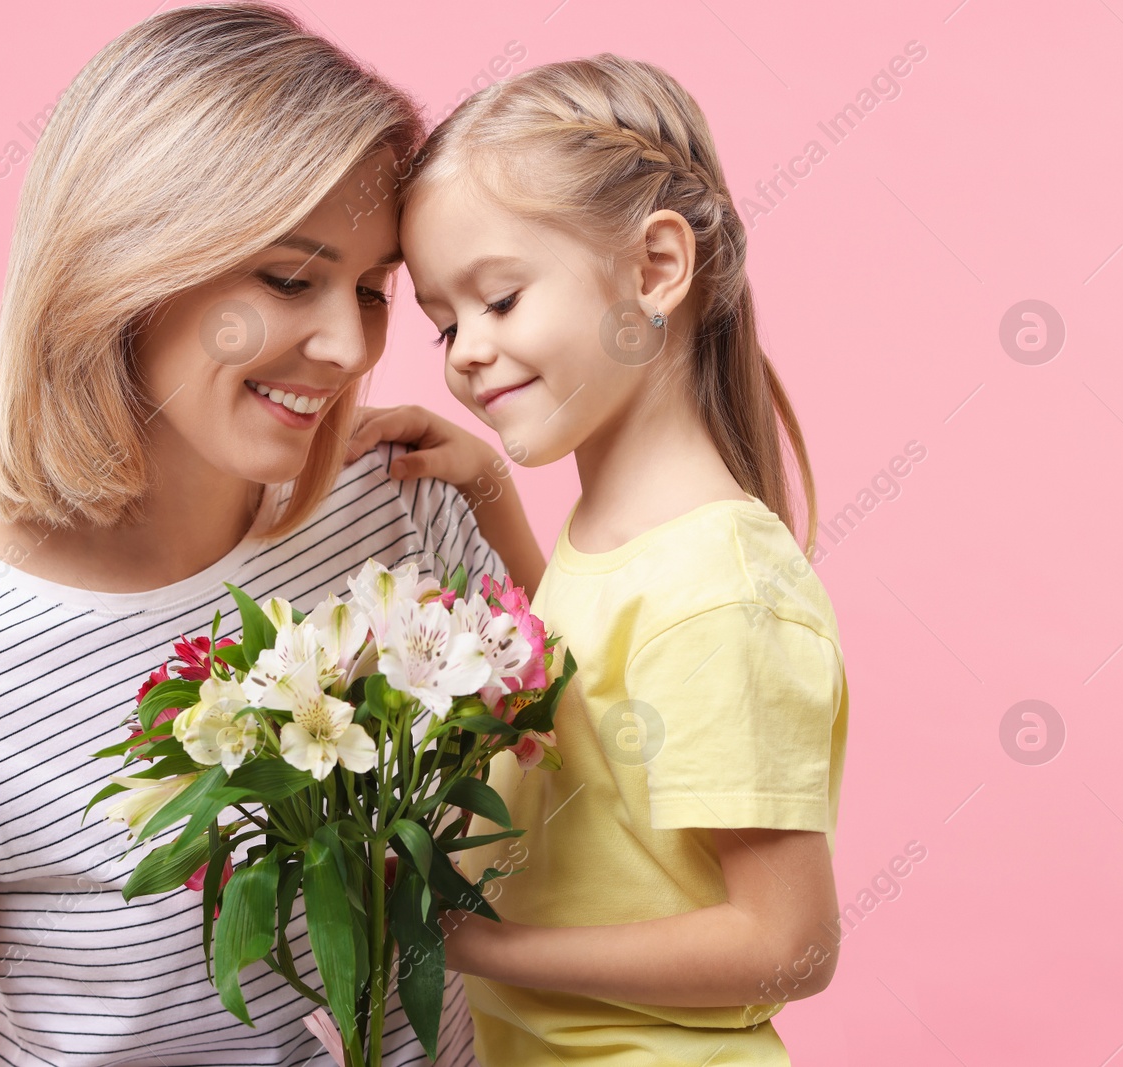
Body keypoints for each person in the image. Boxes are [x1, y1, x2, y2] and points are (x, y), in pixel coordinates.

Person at [0, 6, 543, 1065]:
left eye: (372, 290)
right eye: (289, 277)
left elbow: (591, 798)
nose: (343, 343)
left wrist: (500, 506)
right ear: (126, 267)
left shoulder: (401, 508)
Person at [387, 53, 850, 1065]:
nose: (464, 349)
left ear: (653, 270)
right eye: (444, 325)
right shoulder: (627, 537)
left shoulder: (715, 589)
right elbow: (583, 694)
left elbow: (787, 942)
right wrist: (489, 493)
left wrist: (481, 946)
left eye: (500, 300)